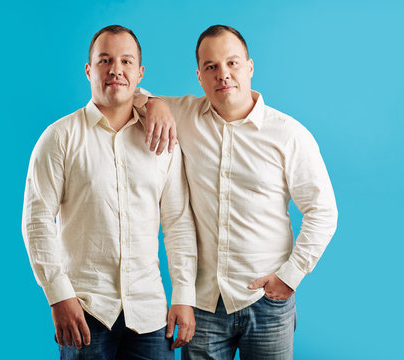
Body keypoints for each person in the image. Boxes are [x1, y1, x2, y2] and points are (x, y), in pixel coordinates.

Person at [138, 25, 338, 359]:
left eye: (232, 63)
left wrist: (290, 276)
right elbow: (127, 91)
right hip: (203, 305)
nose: (223, 75)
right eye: (212, 67)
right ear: (199, 76)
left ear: (249, 67)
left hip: (267, 302)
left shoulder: (289, 134)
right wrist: (154, 103)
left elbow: (323, 211)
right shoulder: (184, 114)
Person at [22, 25, 197, 360]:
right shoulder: (60, 137)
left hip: (150, 315)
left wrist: (184, 296)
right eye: (105, 60)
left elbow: (177, 222)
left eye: (126, 61)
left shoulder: (162, 140)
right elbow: (37, 220)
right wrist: (58, 296)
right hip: (85, 311)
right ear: (89, 70)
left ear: (140, 72)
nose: (116, 69)